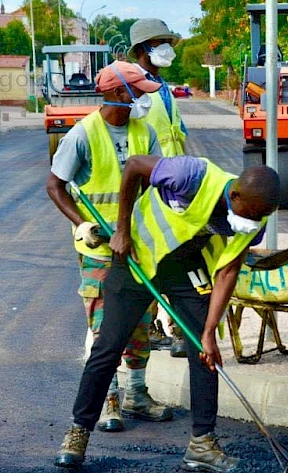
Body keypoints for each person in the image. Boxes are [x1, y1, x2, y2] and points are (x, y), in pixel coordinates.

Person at [54, 155, 280, 472]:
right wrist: (122, 230)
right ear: (236, 195)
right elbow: (133, 166)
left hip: (185, 267)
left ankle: (202, 444)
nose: (255, 222)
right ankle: (78, 432)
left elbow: (228, 271)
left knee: (205, 351)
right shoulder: (190, 175)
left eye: (263, 216)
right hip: (138, 256)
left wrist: (209, 331)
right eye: (253, 213)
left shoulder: (256, 215)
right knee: (109, 347)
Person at [46, 61, 172, 435]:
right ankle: (108, 398)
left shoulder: (144, 131)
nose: (146, 98)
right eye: (141, 91)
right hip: (99, 250)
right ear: (120, 93)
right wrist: (81, 223)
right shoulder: (83, 135)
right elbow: (55, 185)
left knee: (140, 322)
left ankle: (136, 393)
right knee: (105, 328)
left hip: (138, 247)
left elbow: (155, 184)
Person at [129, 18, 191, 358]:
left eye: (168, 41)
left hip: (174, 184)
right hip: (148, 185)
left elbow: (176, 133)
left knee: (180, 253)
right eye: (160, 42)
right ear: (142, 50)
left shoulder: (162, 86)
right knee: (154, 256)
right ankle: (151, 325)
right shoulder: (132, 88)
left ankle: (178, 326)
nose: (167, 48)